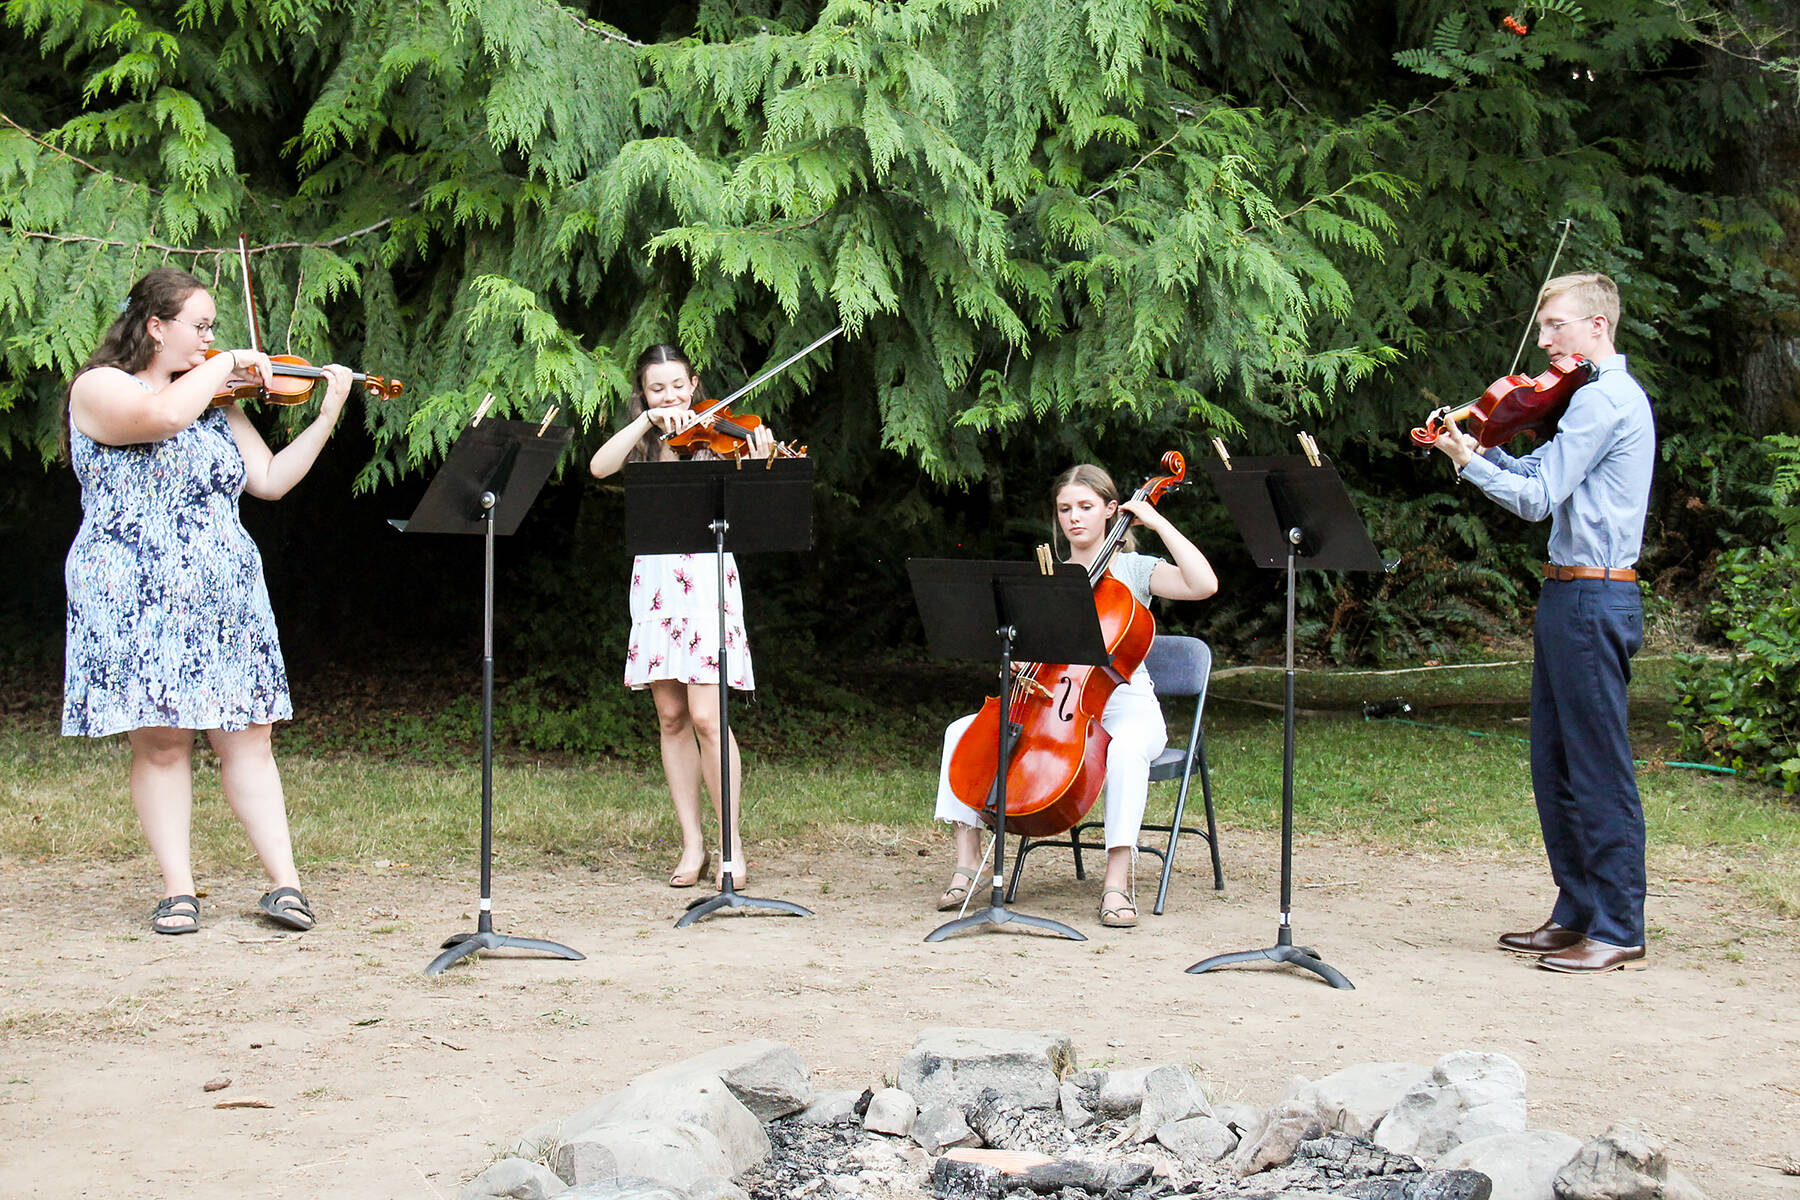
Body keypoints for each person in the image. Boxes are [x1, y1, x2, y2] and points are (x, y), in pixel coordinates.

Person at [62, 267, 355, 935]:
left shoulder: (218, 402)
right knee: (163, 741)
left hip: (224, 590)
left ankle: (285, 885)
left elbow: (271, 481)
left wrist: (329, 411)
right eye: (198, 326)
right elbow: (159, 416)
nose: (210, 339)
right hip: (135, 588)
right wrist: (223, 364)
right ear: (155, 326)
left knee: (248, 737)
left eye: (214, 328)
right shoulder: (102, 388)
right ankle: (178, 890)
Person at [1431, 272, 1655, 974]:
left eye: (1556, 325)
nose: (1544, 340)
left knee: (1596, 768)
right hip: (1570, 596)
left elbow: (1534, 500)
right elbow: (1544, 474)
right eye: (1543, 327)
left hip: (1594, 598)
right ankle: (1577, 911)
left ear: (1597, 327)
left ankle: (1618, 926)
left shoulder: (1603, 400)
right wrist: (1485, 447)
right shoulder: (1586, 400)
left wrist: (1469, 460)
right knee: (1555, 762)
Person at [932, 463, 1219, 928]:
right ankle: (968, 862)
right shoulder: (1050, 576)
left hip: (1126, 706)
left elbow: (1203, 585)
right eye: (1065, 508)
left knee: (1125, 751)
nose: (1074, 518)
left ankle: (1117, 881)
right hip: (1057, 703)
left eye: (1085, 507)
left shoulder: (1135, 570)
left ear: (1110, 509)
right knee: (961, 730)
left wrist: (1157, 520)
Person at [589, 344, 778, 890]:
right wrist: (648, 422)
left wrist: (762, 453)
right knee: (670, 716)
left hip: (708, 583)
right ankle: (692, 844)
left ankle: (731, 845)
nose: (670, 396)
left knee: (706, 717)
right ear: (643, 395)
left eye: (677, 386)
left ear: (693, 385)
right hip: (656, 584)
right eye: (656, 388)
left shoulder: (718, 438)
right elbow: (600, 467)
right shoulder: (645, 441)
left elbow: (760, 504)